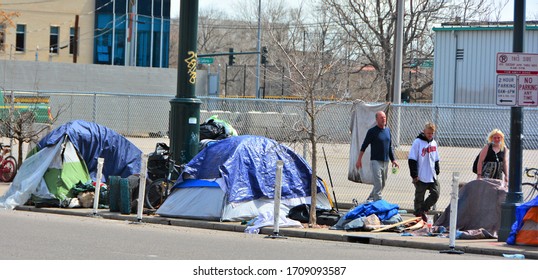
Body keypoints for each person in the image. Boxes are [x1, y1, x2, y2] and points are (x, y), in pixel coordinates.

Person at [356, 111, 399, 201]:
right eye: (381, 118)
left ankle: (370, 198)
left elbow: (389, 146)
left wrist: (393, 160)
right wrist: (359, 159)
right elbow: (364, 146)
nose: (384, 119)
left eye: (384, 117)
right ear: (376, 120)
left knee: (382, 183)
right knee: (378, 183)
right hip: (375, 161)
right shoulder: (372, 131)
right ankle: (378, 202)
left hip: (385, 161)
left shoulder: (387, 130)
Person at [408, 122, 440, 222]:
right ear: (424, 131)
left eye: (432, 133)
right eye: (428, 133)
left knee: (436, 193)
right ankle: (419, 214)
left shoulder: (433, 143)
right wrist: (414, 174)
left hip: (431, 174)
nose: (430, 135)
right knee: (419, 196)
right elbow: (412, 159)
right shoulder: (417, 142)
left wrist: (437, 168)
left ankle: (423, 209)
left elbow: (436, 158)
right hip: (421, 175)